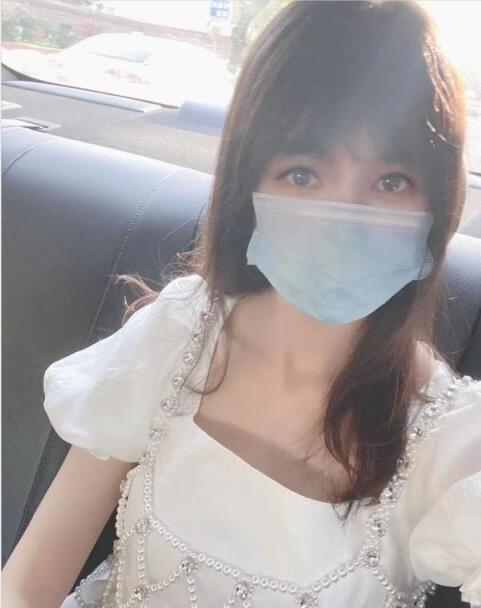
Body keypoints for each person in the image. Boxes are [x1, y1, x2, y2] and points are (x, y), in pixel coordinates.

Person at [3, 1, 481, 607]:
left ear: (439, 203)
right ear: (248, 186)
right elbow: (27, 584)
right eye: (302, 174)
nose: (342, 221)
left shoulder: (454, 439)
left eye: (392, 181)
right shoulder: (177, 335)